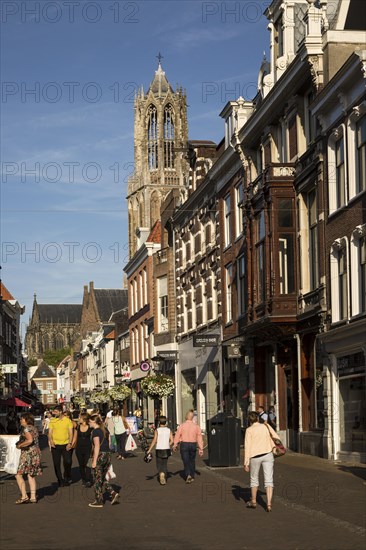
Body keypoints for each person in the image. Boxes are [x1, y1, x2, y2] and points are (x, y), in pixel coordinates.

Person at [244, 411, 280, 512]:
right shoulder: (265, 426)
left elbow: (247, 447)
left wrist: (246, 463)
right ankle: (268, 504)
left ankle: (254, 501)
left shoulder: (249, 430)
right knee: (269, 480)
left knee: (254, 479)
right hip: (268, 455)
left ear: (249, 420)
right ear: (258, 418)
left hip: (255, 456)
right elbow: (276, 436)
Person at [88, 414, 119, 508]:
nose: (89, 423)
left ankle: (99, 500)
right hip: (108, 454)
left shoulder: (96, 432)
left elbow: (97, 446)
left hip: (100, 455)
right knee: (101, 476)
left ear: (94, 422)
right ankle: (112, 492)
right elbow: (109, 442)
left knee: (97, 479)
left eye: (90, 421)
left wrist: (94, 461)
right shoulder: (104, 430)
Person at [15, 413, 42, 504]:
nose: (20, 420)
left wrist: (20, 445)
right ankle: (33, 497)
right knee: (31, 475)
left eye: (22, 419)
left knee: (18, 474)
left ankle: (24, 496)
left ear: (26, 420)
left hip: (28, 453)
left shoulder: (26, 428)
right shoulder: (34, 428)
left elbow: (29, 440)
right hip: (36, 452)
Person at [173, 410, 203, 484]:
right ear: (192, 417)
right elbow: (199, 438)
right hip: (193, 444)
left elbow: (177, 435)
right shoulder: (196, 427)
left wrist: (175, 444)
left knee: (185, 460)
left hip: (184, 444)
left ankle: (188, 474)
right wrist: (201, 449)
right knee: (192, 460)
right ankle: (192, 475)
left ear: (186, 416)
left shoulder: (182, 425)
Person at [48, 405, 74, 486]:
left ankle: (67, 475)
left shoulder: (68, 421)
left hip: (65, 444)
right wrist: (51, 441)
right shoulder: (52, 421)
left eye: (55, 412)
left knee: (68, 461)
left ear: (60, 412)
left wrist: (70, 443)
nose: (54, 413)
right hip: (55, 446)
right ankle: (60, 480)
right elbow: (49, 433)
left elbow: (71, 433)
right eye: (53, 412)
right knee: (56, 464)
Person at [147, 415, 174, 485]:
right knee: (165, 464)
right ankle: (164, 475)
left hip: (159, 448)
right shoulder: (169, 430)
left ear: (159, 422)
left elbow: (154, 440)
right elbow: (172, 440)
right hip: (166, 449)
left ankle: (161, 473)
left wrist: (149, 449)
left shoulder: (157, 430)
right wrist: (168, 444)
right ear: (166, 422)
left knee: (159, 463)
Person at [74, 412, 93, 487]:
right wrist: (71, 445)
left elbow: (93, 438)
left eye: (80, 418)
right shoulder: (77, 427)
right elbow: (75, 437)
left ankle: (88, 480)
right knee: (81, 465)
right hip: (78, 449)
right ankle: (84, 479)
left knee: (87, 464)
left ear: (84, 419)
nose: (78, 419)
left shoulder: (90, 427)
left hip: (88, 448)